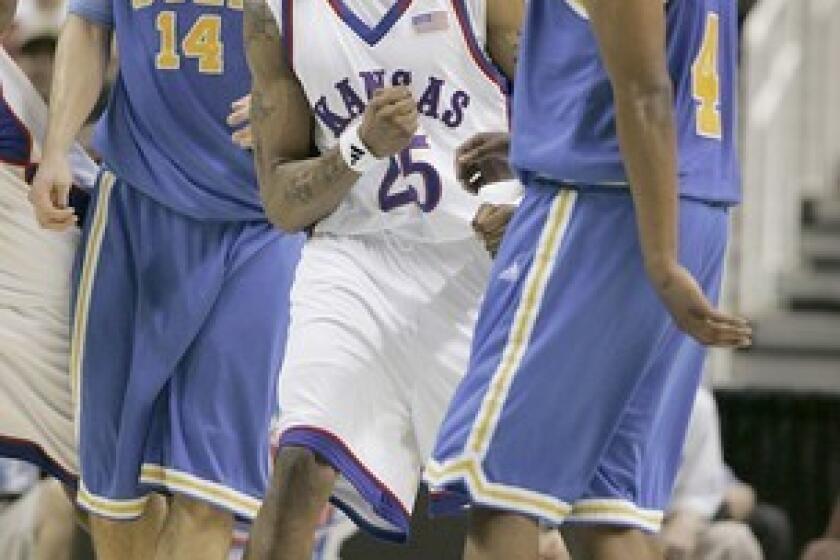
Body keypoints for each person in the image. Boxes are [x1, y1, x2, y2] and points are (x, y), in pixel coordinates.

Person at [424, 1, 753, 560]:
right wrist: (548, 133)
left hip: (610, 213)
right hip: (686, 203)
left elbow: (645, 94)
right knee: (605, 511)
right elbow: (647, 64)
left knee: (501, 489)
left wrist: (661, 262)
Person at [241, 0, 523, 557]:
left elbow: (576, 109)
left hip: (474, 258)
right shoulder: (273, 12)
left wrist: (531, 208)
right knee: (300, 465)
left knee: (512, 516)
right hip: (356, 258)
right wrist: (357, 147)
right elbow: (281, 203)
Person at [28, 1, 303, 559]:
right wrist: (57, 146)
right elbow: (87, 25)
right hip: (136, 206)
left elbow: (362, 43)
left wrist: (308, 102)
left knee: (208, 491)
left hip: (258, 223)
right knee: (111, 494)